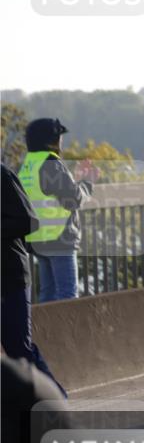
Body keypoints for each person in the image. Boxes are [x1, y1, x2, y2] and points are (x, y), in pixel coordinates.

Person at [1, 165, 66, 396]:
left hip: (9, 277)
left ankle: (55, 401)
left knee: (18, 349)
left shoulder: (2, 175)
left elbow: (29, 220)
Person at [17, 119, 93, 302]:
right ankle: (65, 332)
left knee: (48, 293)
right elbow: (73, 199)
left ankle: (47, 331)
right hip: (59, 238)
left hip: (38, 238)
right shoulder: (51, 164)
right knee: (67, 294)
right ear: (51, 140)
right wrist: (87, 183)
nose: (61, 142)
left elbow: (48, 192)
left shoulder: (28, 165)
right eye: (59, 138)